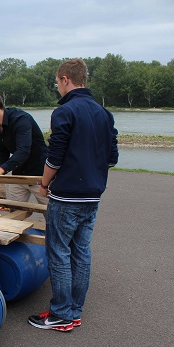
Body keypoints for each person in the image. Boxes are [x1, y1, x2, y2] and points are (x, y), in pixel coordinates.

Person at [28, 58, 119, 332]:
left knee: (57, 252)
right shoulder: (104, 114)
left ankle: (60, 315)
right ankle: (74, 311)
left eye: (57, 82)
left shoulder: (64, 112)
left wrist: (44, 184)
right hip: (92, 196)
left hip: (67, 196)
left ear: (66, 79)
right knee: (81, 253)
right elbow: (112, 158)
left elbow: (54, 158)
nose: (57, 88)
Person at [0, 88, 48, 205]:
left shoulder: (21, 120)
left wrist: (2, 169)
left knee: (51, 214)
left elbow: (23, 151)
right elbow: (3, 150)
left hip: (39, 175)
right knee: (14, 212)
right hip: (18, 173)